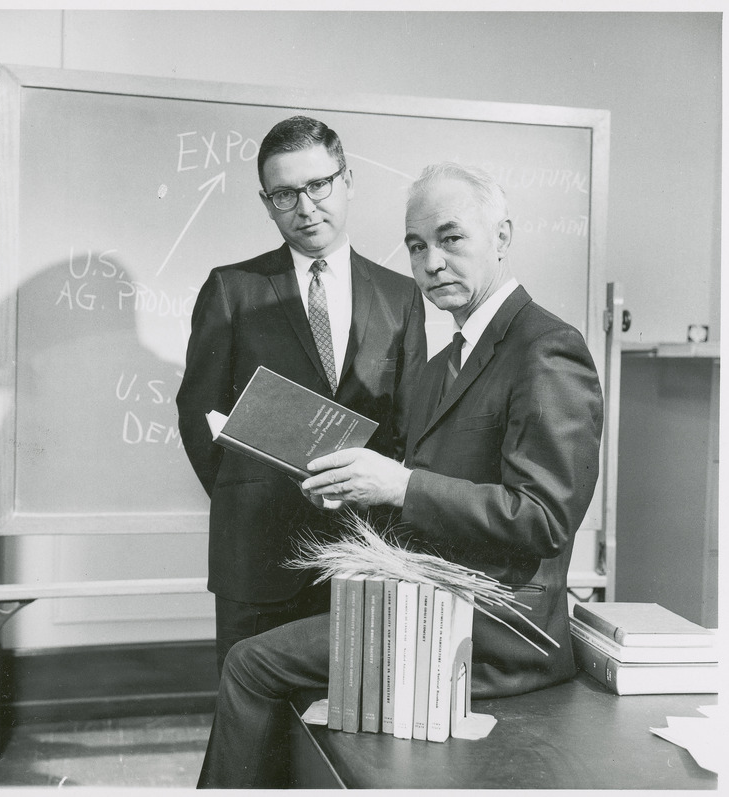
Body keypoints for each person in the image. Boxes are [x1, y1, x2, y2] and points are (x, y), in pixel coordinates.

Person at [196, 162, 604, 789]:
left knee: (252, 664)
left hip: (497, 634)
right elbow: (422, 487)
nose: (432, 261)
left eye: (451, 238)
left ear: (502, 236)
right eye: (417, 247)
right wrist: (350, 483)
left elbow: (543, 519)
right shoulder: (447, 360)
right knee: (269, 658)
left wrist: (398, 485)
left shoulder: (546, 349)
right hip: (430, 605)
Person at [176, 116, 427, 674]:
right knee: (255, 731)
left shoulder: (400, 295)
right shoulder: (232, 289)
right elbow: (198, 413)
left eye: (319, 185)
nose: (306, 207)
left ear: (348, 181)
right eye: (285, 194)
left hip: (363, 551)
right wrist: (248, 495)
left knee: (353, 722)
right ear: (267, 204)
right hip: (258, 549)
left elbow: (408, 424)